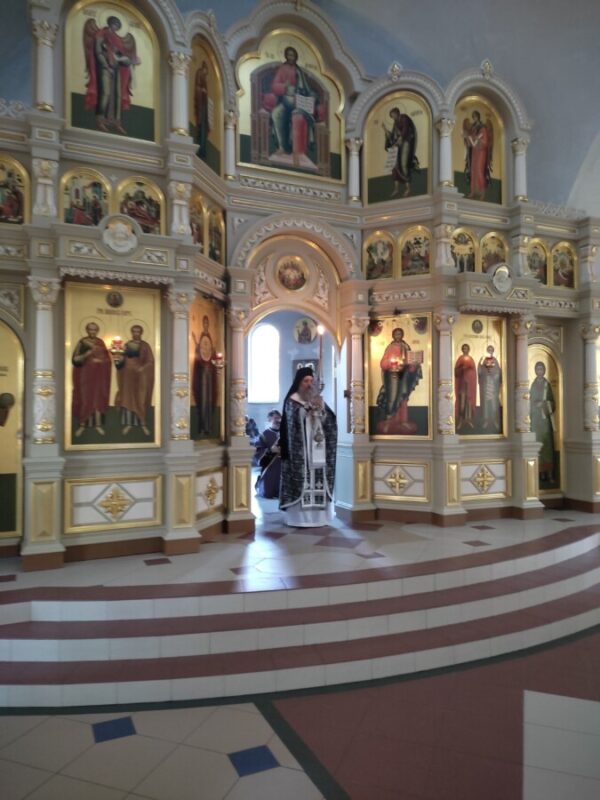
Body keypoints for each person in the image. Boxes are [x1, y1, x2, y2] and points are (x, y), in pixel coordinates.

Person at [279, 366, 337, 527]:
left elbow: (330, 422)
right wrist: (308, 409)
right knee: (302, 480)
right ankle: (298, 519)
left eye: (311, 381)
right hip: (301, 452)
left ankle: (320, 518)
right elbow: (293, 424)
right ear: (299, 382)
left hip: (318, 450)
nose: (309, 384)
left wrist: (321, 409)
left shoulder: (318, 399)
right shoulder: (292, 400)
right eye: (306, 381)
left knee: (319, 478)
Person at [83, 16, 140, 135]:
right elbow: (98, 52)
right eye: (114, 24)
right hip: (103, 68)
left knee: (118, 95)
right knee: (105, 93)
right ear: (110, 23)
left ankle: (116, 122)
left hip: (115, 69)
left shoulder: (117, 39)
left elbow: (119, 56)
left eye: (117, 26)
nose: (115, 27)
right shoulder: (101, 34)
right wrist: (106, 66)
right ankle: (100, 119)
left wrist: (130, 61)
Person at [269, 46, 318, 165]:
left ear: (296, 57)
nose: (291, 57)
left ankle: (298, 152)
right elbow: (274, 86)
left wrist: (311, 96)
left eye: (293, 55)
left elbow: (306, 89)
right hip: (286, 100)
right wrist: (284, 87)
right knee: (276, 113)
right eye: (289, 55)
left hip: (299, 102)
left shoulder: (299, 71)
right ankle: (282, 147)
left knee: (297, 116)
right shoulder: (282, 69)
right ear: (286, 56)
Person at [376, 328, 422, 433]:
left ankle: (403, 420)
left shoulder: (406, 346)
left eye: (400, 334)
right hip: (393, 376)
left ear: (402, 335)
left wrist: (414, 363)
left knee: (403, 397)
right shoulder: (390, 347)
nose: (398, 336)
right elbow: (383, 363)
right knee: (393, 396)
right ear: (393, 336)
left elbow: (410, 363)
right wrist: (393, 363)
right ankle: (389, 420)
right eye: (396, 334)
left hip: (404, 375)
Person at [71, 321, 112, 437]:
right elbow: (75, 360)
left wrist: (101, 361)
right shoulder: (82, 342)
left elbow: (107, 360)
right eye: (90, 329)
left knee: (98, 399)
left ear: (97, 331)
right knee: (85, 399)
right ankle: (82, 425)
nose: (92, 332)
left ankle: (98, 425)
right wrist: (86, 355)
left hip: (99, 377)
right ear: (87, 330)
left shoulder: (100, 342)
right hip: (85, 376)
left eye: (94, 329)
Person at [113, 325, 155, 436]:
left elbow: (150, 361)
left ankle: (143, 424)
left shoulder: (145, 346)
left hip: (141, 377)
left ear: (141, 333)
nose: (136, 333)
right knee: (128, 399)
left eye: (138, 331)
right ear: (131, 332)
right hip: (127, 376)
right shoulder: (126, 345)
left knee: (140, 400)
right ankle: (129, 424)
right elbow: (121, 361)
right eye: (134, 331)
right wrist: (117, 358)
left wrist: (142, 368)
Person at [382, 107, 418, 198]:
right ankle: (396, 189)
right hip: (398, 145)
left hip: (405, 143)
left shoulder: (404, 118)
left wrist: (400, 139)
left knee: (403, 164)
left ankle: (408, 189)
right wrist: (385, 129)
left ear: (397, 112)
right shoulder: (395, 123)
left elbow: (405, 130)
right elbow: (393, 136)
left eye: (393, 115)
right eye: (391, 116)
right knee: (394, 166)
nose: (392, 117)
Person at [530, 361, 557, 484]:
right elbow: (529, 402)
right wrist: (535, 405)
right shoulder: (533, 385)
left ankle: (550, 474)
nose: (539, 371)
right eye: (537, 369)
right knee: (538, 446)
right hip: (536, 421)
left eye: (541, 369)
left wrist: (545, 404)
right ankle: (540, 474)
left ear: (544, 370)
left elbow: (553, 402)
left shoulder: (547, 385)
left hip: (545, 420)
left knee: (547, 447)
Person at [192, 315, 217, 436]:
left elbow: (213, 356)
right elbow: (199, 355)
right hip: (202, 375)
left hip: (210, 375)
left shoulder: (209, 338)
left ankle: (209, 426)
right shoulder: (202, 337)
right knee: (203, 401)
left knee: (210, 400)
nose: (206, 325)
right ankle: (202, 426)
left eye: (207, 323)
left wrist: (213, 353)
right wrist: (196, 345)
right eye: (204, 323)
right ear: (203, 324)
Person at [463, 110, 492, 200]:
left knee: (479, 171)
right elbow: (471, 141)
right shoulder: (473, 128)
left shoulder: (482, 128)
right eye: (473, 117)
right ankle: (473, 191)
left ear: (478, 117)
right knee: (473, 171)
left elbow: (485, 142)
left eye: (475, 117)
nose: (474, 119)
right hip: (474, 152)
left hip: (481, 152)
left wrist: (474, 138)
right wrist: (467, 138)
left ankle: (482, 192)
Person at [254, 410, 282, 499]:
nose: (278, 420)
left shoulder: (286, 433)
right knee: (267, 493)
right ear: (269, 419)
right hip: (270, 467)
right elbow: (258, 451)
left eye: (280, 418)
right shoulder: (264, 435)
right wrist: (270, 450)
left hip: (284, 466)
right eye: (275, 418)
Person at [477, 344, 502, 431]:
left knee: (494, 403)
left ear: (493, 351)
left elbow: (498, 372)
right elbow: (480, 372)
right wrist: (479, 364)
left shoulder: (495, 360)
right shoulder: (484, 360)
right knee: (486, 404)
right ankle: (486, 420)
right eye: (488, 349)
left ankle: (494, 420)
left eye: (491, 350)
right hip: (486, 384)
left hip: (493, 386)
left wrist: (495, 375)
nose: (490, 351)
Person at [454, 343, 477, 432]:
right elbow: (456, 372)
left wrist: (469, 370)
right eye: (464, 348)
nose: (465, 350)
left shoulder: (471, 359)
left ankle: (468, 420)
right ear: (462, 350)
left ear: (469, 349)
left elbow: (474, 373)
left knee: (469, 402)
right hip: (462, 384)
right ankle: (460, 420)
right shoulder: (460, 359)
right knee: (462, 402)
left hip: (470, 384)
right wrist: (462, 368)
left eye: (466, 348)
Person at [194, 60, 210, 159]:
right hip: (201, 107)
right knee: (201, 128)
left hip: (204, 107)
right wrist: (202, 91)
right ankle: (200, 149)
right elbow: (198, 88)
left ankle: (202, 150)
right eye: (205, 73)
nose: (206, 75)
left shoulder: (204, 80)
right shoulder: (199, 74)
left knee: (204, 128)